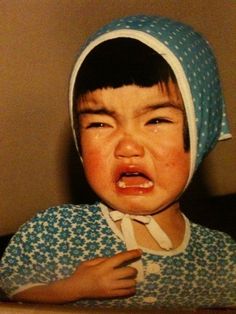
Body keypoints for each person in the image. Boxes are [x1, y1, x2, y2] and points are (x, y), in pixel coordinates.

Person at [0, 15, 235, 309]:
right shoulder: (57, 229)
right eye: (99, 124)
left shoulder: (220, 256)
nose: (127, 147)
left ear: (202, 133)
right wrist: (71, 289)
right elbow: (14, 292)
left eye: (156, 120)